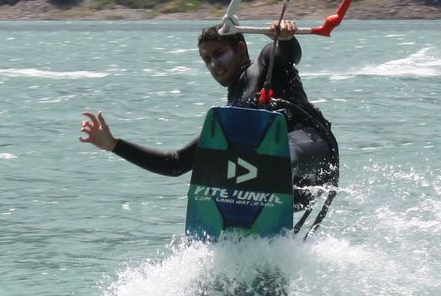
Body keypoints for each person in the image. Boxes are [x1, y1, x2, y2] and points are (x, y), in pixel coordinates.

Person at [81, 21, 340, 216]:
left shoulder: (264, 63)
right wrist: (114, 145)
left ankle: (258, 192)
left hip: (313, 150)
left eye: (218, 54)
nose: (213, 64)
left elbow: (287, 55)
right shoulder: (230, 116)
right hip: (290, 192)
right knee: (231, 170)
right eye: (206, 60)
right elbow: (176, 163)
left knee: (266, 161)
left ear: (240, 50)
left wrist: (284, 39)